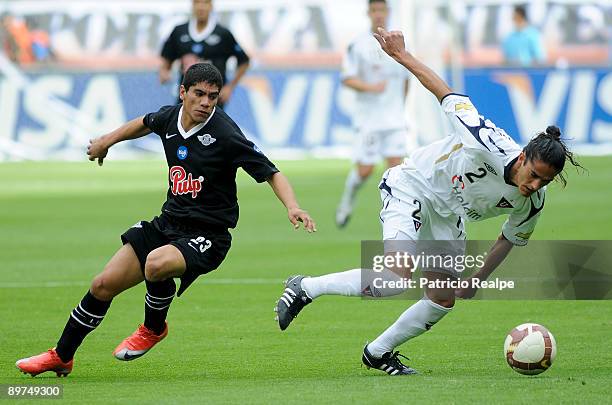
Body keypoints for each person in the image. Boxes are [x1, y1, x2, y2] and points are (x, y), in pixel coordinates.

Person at [275, 28, 582, 376]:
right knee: (394, 277)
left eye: (546, 180)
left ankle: (377, 352)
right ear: (524, 156)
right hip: (412, 185)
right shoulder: (484, 140)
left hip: (448, 215)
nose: (537, 184)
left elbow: (508, 238)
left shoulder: (533, 201)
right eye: (535, 174)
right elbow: (446, 93)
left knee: (442, 298)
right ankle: (305, 287)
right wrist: (401, 55)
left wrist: (478, 279)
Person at [16, 63, 316, 377]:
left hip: (209, 235)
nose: (206, 103)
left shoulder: (225, 134)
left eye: (213, 97)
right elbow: (144, 123)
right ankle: (61, 356)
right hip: (168, 224)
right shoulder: (171, 117)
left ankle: (153, 328)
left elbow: (271, 171)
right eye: (199, 94)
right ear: (182, 92)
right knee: (103, 284)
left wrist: (292, 206)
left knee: (156, 264)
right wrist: (107, 140)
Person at [335, 0, 411, 228]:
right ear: (368, 13)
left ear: (388, 13)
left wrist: (400, 107)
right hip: (369, 120)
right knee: (365, 170)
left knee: (396, 173)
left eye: (382, 10)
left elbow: (407, 77)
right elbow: (347, 78)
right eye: (374, 10)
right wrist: (371, 88)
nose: (378, 15)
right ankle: (346, 201)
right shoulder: (358, 45)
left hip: (395, 120)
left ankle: (393, 218)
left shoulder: (399, 44)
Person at [159, 0, 250, 107]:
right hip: (187, 96)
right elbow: (167, 57)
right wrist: (164, 71)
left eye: (205, 3)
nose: (201, 7)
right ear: (192, 5)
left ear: (211, 6)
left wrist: (230, 87)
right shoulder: (179, 31)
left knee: (210, 123)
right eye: (197, 2)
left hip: (212, 98)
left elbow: (244, 61)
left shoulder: (222, 34)